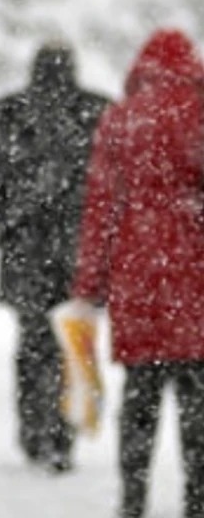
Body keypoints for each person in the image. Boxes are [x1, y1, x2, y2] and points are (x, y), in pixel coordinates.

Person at [71, 28, 204, 518]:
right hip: (195, 280)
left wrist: (89, 285)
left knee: (140, 397)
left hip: (138, 275)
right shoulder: (200, 114)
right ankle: (198, 500)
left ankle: (132, 499)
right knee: (198, 403)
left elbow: (100, 208)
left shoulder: (120, 120)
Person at [0, 42, 109, 473]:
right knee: (74, 342)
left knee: (33, 343)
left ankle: (35, 428)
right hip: (80, 253)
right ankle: (62, 434)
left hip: (27, 250)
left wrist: (6, 230)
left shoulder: (11, 112)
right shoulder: (97, 111)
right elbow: (118, 186)